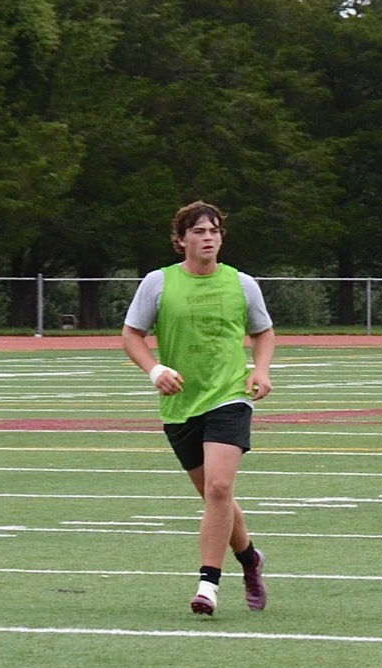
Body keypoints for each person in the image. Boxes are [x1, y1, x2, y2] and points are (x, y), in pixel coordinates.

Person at [121, 201, 274, 617]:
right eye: (199, 231)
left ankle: (208, 584)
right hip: (180, 403)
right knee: (215, 498)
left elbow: (263, 332)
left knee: (220, 489)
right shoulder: (158, 283)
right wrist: (155, 371)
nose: (208, 237)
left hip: (229, 396)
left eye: (215, 231)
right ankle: (250, 560)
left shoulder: (242, 284)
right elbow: (132, 334)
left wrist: (260, 370)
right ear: (181, 240)